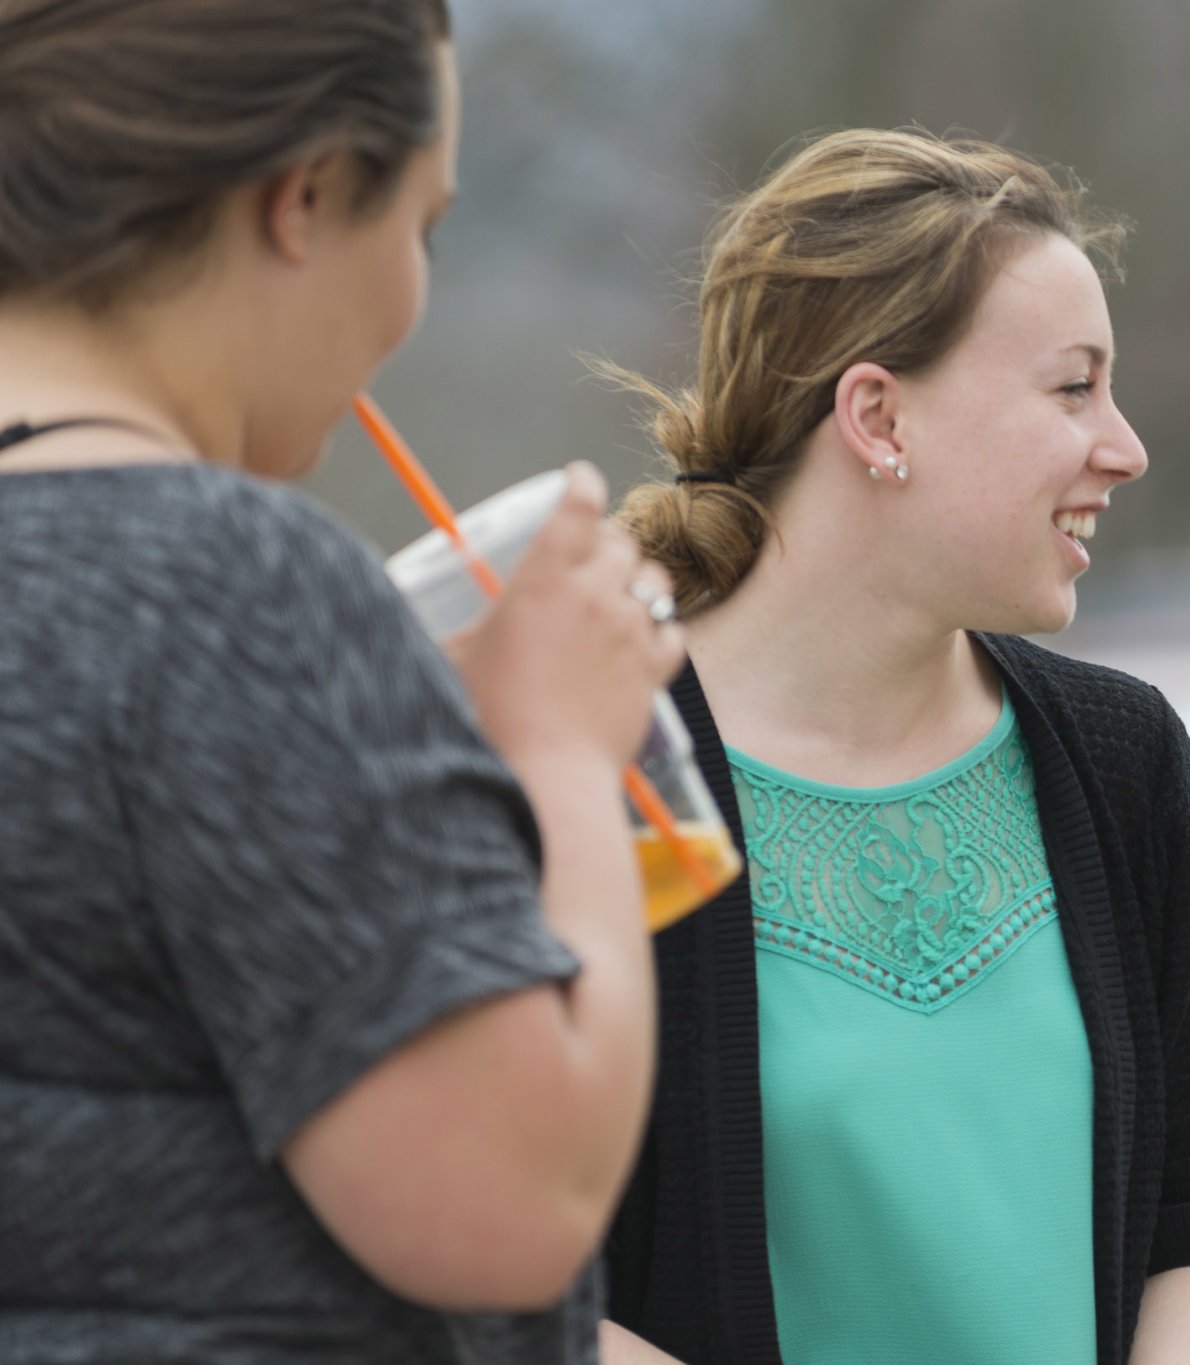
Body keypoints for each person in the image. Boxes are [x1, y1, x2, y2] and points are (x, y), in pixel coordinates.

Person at [0, 3, 682, 1361]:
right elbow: (511, 1199)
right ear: (305, 196)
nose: (411, 301)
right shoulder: (231, 580)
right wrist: (558, 748)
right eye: (421, 227)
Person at [592, 129, 1190, 1365]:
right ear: (876, 416)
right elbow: (495, 1287)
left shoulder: (1124, 760)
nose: (1122, 446)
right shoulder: (595, 770)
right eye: (1073, 387)